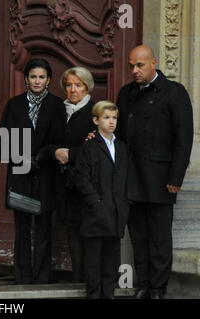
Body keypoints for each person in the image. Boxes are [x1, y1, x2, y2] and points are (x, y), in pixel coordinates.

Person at [116, 45, 194, 299]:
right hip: (132, 177)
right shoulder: (126, 93)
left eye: (139, 65)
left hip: (161, 179)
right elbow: (118, 135)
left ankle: (158, 289)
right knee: (138, 236)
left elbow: (184, 138)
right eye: (131, 66)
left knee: (159, 238)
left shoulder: (174, 93)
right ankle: (145, 284)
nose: (134, 70)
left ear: (154, 63)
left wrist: (176, 177)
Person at [0, 58, 63, 284]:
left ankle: (42, 275)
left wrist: (41, 157)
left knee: (44, 227)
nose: (37, 81)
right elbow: (3, 139)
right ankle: (22, 275)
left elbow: (59, 140)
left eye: (42, 77)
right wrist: (22, 158)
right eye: (33, 76)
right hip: (20, 174)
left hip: (46, 174)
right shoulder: (14, 105)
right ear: (26, 78)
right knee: (22, 227)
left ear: (48, 80)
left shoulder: (57, 105)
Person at [74, 101, 130, 299]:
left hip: (115, 213)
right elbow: (82, 179)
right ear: (96, 120)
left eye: (114, 118)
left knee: (110, 262)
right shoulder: (89, 146)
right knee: (93, 262)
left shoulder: (122, 147)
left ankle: (108, 294)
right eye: (106, 118)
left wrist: (123, 205)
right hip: (95, 215)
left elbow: (124, 178)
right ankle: (94, 295)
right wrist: (95, 203)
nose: (111, 122)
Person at [53, 67, 96, 283]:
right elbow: (46, 141)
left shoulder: (95, 112)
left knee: (87, 230)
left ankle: (90, 281)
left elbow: (99, 148)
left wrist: (72, 153)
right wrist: (55, 152)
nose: (73, 89)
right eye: (69, 85)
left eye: (78, 85)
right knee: (70, 228)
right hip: (63, 182)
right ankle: (77, 279)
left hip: (86, 182)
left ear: (87, 87)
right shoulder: (58, 110)